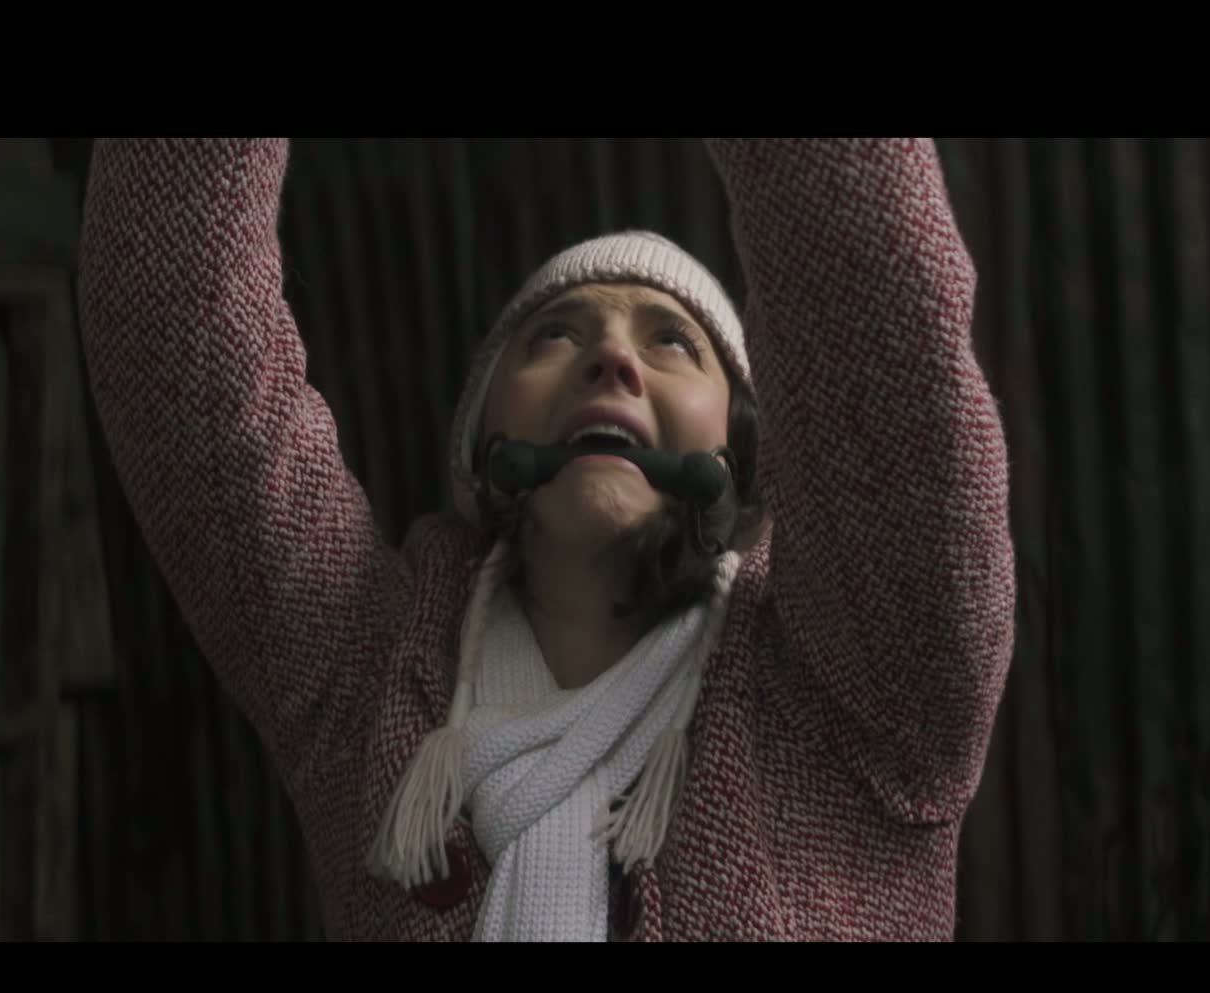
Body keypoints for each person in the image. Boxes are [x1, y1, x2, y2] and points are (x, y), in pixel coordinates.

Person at [77, 138, 1016, 941]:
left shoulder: (865, 685)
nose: (611, 357)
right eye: (555, 335)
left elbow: (871, 304)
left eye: (673, 342)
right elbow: (175, 318)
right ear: (485, 437)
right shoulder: (369, 675)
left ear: (741, 455)